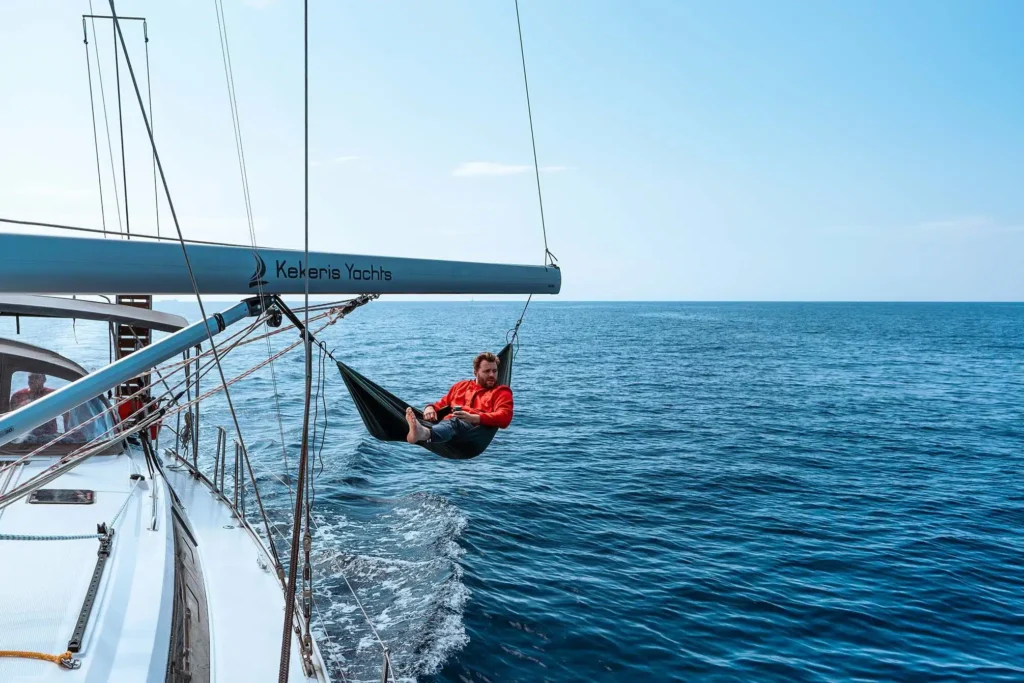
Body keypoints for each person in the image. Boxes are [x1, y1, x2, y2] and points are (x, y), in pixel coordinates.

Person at [405, 351, 513, 445]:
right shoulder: (461, 386)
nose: (492, 375)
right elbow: (442, 404)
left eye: (495, 371)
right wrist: (430, 408)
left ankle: (424, 433)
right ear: (475, 373)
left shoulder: (501, 392)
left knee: (454, 422)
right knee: (413, 418)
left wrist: (474, 417)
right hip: (447, 427)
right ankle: (416, 432)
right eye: (487, 371)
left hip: (473, 433)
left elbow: (505, 417)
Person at [9, 372, 58, 438]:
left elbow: (66, 415)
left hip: (49, 437)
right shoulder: (17, 396)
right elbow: (11, 419)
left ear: (44, 379)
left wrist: (67, 433)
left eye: (36, 378)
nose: (32, 380)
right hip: (24, 437)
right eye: (30, 378)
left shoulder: (53, 394)